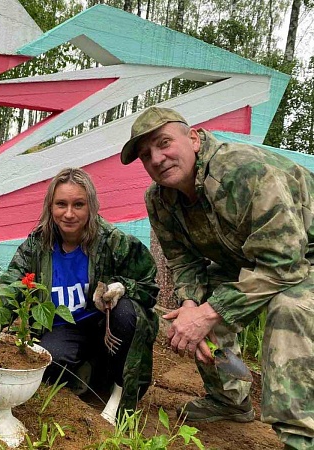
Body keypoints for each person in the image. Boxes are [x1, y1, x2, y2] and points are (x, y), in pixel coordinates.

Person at [121, 106, 314, 449]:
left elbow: (285, 265)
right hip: (252, 257)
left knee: (289, 308)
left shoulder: (245, 171)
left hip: (301, 256)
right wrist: (191, 306)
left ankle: (301, 437)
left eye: (164, 143)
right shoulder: (159, 200)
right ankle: (229, 400)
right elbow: (182, 260)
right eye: (146, 155)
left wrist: (209, 314)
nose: (157, 159)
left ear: (193, 139)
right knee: (202, 303)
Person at [0, 167, 159, 424]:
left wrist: (122, 287)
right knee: (48, 366)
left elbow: (149, 285)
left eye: (79, 204)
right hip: (65, 327)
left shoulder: (113, 242)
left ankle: (119, 393)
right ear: (50, 206)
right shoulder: (37, 244)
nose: (69, 214)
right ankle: (89, 370)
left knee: (126, 312)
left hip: (105, 324)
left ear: (91, 206)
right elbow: (10, 284)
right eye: (61, 204)